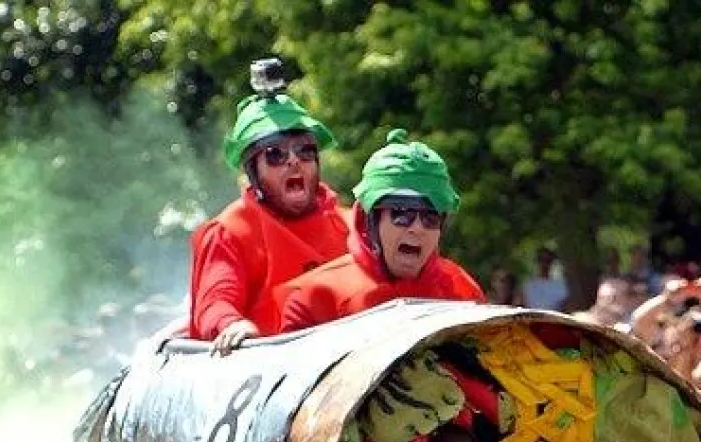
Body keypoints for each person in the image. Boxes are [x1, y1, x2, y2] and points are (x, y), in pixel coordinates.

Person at [173, 61, 352, 354]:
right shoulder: (230, 232)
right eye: (275, 154)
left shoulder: (354, 224)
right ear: (252, 170)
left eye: (305, 150)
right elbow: (215, 301)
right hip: (272, 369)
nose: (294, 161)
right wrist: (231, 324)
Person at [277, 129, 485, 331]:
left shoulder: (462, 292)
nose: (417, 228)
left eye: (430, 218)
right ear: (369, 220)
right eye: (401, 213)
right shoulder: (314, 300)